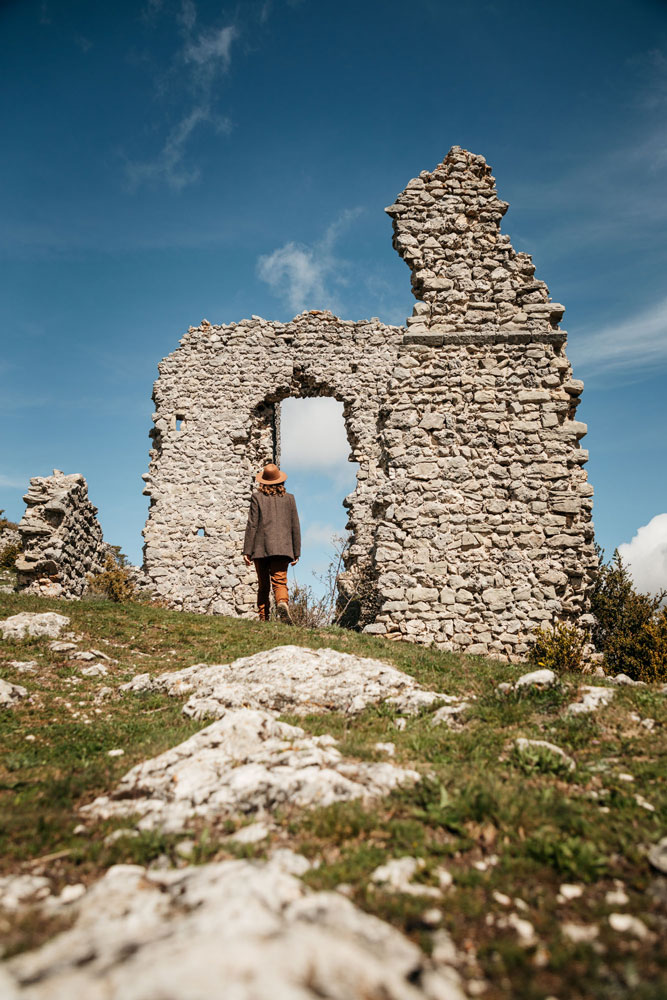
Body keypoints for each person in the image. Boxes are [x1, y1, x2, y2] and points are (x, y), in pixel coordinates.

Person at [242, 463, 301, 624]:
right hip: (283, 548)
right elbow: (295, 525)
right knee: (280, 582)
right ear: (280, 481)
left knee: (263, 585)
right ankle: (282, 603)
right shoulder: (289, 499)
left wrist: (247, 550)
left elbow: (252, 524)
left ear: (263, 482)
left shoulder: (257, 498)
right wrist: (296, 551)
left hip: (260, 548)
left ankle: (264, 618)